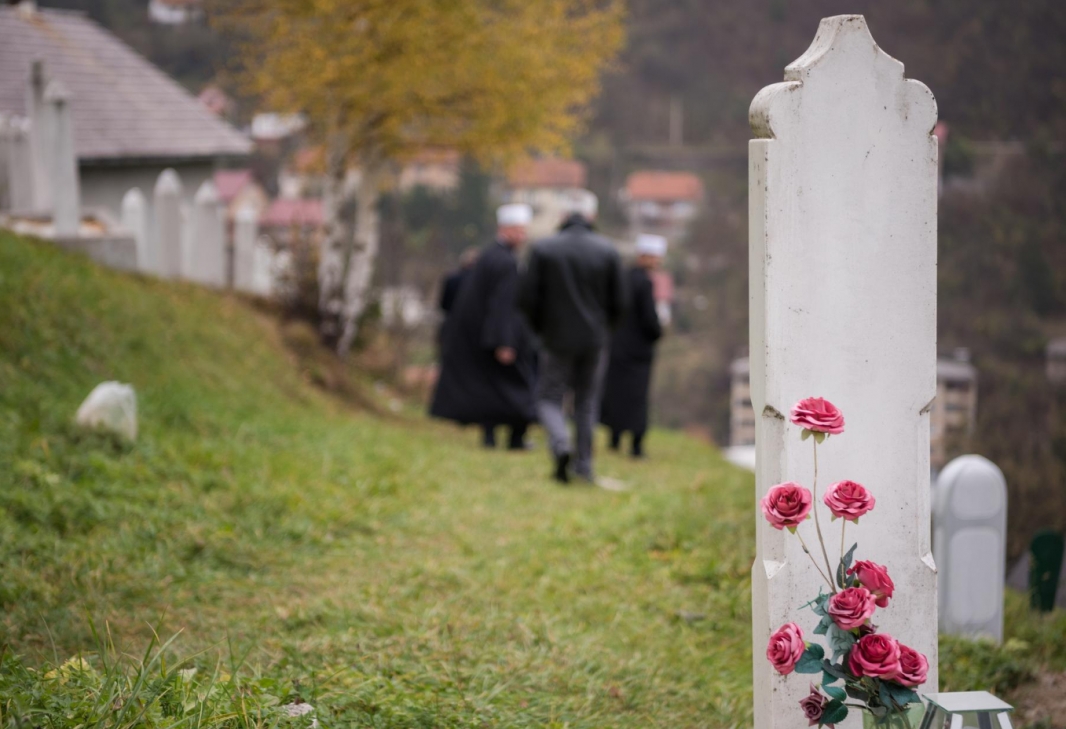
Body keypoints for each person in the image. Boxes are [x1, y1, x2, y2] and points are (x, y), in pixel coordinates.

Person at [519, 195, 626, 483]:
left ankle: (560, 443)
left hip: (555, 338)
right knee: (586, 402)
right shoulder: (608, 251)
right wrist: (605, 331)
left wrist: (540, 330)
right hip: (594, 339)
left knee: (549, 398)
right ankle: (584, 465)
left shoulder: (543, 249)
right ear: (592, 215)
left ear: (563, 215)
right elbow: (620, 303)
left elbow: (527, 298)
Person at [430, 204, 537, 449]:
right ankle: (515, 439)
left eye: (524, 231)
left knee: (490, 388)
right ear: (505, 229)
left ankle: (491, 436)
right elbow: (503, 305)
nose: (522, 236)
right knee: (514, 388)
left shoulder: (490, 256)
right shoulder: (505, 262)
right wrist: (504, 342)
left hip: (484, 336)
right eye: (518, 230)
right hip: (500, 337)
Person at [600, 234, 667, 458]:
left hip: (618, 346)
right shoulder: (644, 282)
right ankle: (636, 445)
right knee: (637, 398)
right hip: (638, 352)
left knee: (617, 393)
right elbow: (650, 320)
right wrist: (658, 331)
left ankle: (614, 438)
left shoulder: (623, 277)